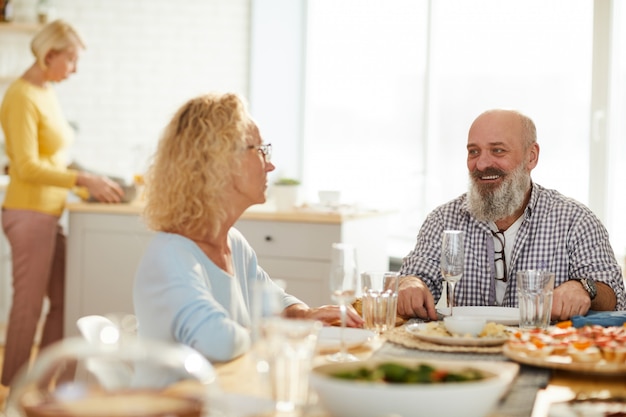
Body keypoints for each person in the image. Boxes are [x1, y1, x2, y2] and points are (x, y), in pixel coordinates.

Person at [133, 92, 363, 363]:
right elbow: (218, 341)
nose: (271, 164)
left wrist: (303, 315)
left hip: (227, 394)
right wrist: (289, 329)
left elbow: (273, 300)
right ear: (221, 162)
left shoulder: (233, 241)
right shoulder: (170, 256)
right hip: (177, 403)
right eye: (261, 150)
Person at [397, 109, 626, 322]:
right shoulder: (443, 219)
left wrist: (583, 287)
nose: (482, 163)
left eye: (498, 150)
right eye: (473, 151)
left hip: (543, 353)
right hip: (464, 353)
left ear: (531, 157)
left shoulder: (576, 221)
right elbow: (415, 276)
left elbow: (614, 295)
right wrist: (410, 284)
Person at [0, 19, 124, 387]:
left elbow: (54, 158)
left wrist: (90, 180)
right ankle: (12, 394)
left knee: (66, 299)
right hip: (29, 214)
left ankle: (41, 384)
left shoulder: (47, 92)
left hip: (50, 213)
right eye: (70, 59)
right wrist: (83, 180)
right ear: (49, 54)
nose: (74, 68)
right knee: (28, 308)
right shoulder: (20, 96)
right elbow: (26, 166)